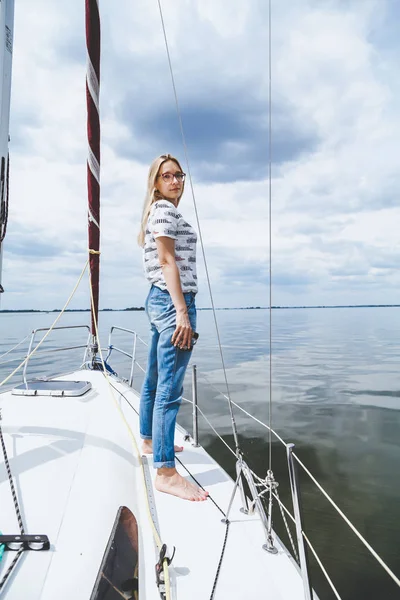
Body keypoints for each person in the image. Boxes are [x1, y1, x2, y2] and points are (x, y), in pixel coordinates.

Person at [137, 154, 209, 502]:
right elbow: (167, 261)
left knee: (153, 377)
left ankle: (150, 441)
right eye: (168, 176)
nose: (176, 181)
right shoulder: (164, 210)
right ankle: (165, 472)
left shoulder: (159, 211)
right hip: (172, 302)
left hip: (159, 300)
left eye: (179, 174)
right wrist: (182, 311)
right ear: (156, 182)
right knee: (170, 388)